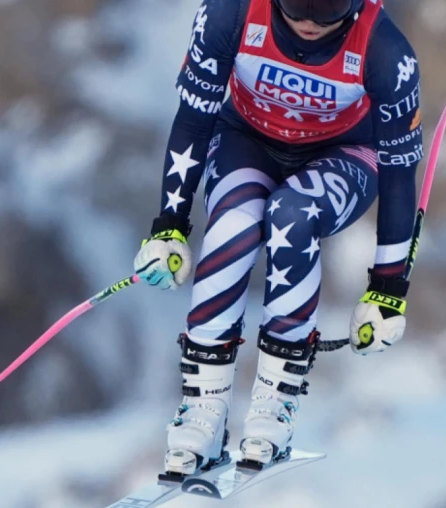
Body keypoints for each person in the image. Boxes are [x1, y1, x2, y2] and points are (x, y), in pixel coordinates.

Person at [133, 0, 423, 474]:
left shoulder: (386, 51)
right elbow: (193, 119)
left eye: (328, 8)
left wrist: (388, 290)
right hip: (248, 138)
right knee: (233, 223)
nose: (309, 21)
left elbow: (398, 172)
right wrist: (169, 225)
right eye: (297, 3)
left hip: (345, 153)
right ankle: (203, 410)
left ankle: (274, 405)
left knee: (292, 214)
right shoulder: (230, 13)